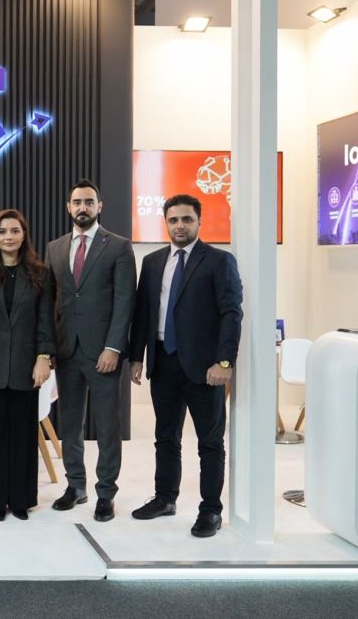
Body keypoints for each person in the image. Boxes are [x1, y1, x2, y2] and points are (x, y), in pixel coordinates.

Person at [129, 194, 243, 538]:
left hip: (205, 369)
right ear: (166, 222)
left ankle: (210, 510)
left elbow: (231, 312)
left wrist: (224, 361)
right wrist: (136, 356)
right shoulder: (152, 262)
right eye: (174, 220)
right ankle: (165, 498)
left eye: (187, 219)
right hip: (163, 362)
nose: (180, 226)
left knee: (210, 442)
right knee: (165, 437)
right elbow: (143, 312)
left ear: (199, 222)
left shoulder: (219, 260)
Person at [45, 179, 136, 522]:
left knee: (107, 426)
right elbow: (50, 301)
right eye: (77, 202)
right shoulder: (55, 248)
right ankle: (76, 486)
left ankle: (106, 493)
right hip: (67, 350)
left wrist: (114, 347)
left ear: (100, 206)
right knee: (70, 424)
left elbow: (125, 301)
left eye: (88, 201)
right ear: (68, 207)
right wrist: (49, 347)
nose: (82, 207)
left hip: (103, 353)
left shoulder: (118, 247)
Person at [0, 209, 54, 521]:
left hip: (25, 365)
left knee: (22, 436)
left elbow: (46, 319)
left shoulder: (40, 273)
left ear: (24, 235)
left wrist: (44, 357)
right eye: (2, 231)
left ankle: (20, 498)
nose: (9, 236)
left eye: (15, 230)